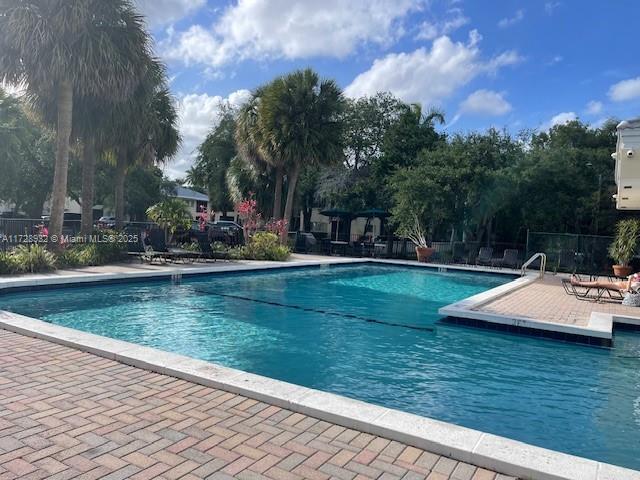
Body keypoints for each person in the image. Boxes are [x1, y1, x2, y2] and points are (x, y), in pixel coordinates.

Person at [570, 273, 640, 293]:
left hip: (617, 286)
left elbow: (627, 290)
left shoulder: (637, 285)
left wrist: (630, 279)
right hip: (616, 284)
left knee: (597, 283)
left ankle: (576, 282)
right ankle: (578, 282)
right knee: (597, 283)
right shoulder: (637, 282)